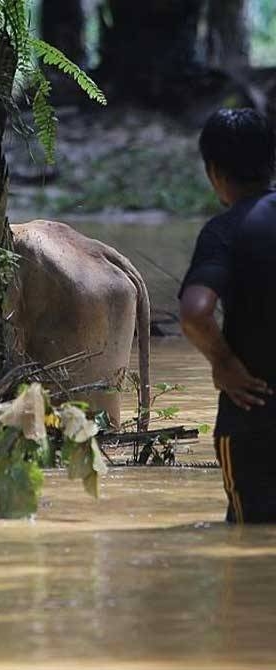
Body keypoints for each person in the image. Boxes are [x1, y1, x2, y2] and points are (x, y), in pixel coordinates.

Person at [179, 108, 276, 523]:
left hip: (253, 415)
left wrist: (223, 362)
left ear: (213, 171)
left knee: (249, 542)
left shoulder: (225, 231)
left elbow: (195, 312)